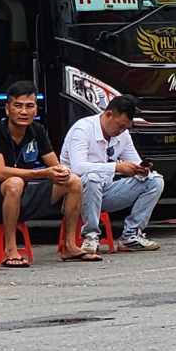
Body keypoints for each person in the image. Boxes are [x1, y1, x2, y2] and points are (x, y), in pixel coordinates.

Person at [0, 81, 93, 266]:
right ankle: (11, 250)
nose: (24, 112)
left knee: (73, 181)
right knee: (14, 182)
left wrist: (60, 172)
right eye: (18, 106)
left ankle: (70, 245)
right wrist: (43, 173)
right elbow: (0, 173)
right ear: (8, 109)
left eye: (29, 106)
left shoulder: (37, 130)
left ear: (35, 110)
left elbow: (54, 165)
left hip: (24, 196)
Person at [64, 95, 166, 251]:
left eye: (125, 128)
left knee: (155, 180)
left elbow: (134, 161)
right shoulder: (83, 129)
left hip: (106, 191)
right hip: (76, 194)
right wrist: (116, 167)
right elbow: (77, 168)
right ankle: (90, 236)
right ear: (108, 114)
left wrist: (141, 169)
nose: (121, 131)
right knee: (92, 178)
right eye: (119, 126)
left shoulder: (122, 135)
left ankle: (131, 235)